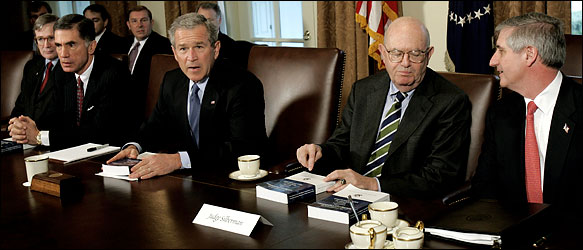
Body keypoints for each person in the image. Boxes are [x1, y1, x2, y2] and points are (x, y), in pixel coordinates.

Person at [296, 16, 471, 199]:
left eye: (415, 54)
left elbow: (440, 176)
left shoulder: (450, 101)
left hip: (402, 202)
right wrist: (319, 152)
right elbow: (342, 144)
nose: (405, 63)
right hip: (348, 194)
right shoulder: (363, 90)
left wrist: (372, 184)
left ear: (428, 55)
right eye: (396, 53)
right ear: (383, 53)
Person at [106, 13, 267, 180]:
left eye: (199, 47)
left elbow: (243, 148)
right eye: (183, 49)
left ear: (216, 49)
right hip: (187, 180)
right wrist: (135, 146)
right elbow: (154, 126)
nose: (191, 57)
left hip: (229, 180)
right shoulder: (172, 80)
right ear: (175, 53)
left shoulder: (243, 84)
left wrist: (179, 160)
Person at [472, 13, 582, 221]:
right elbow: (484, 190)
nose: (492, 60)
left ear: (529, 54)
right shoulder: (500, 113)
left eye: (501, 51)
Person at [8, 14, 134, 149]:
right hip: (71, 153)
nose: (63, 54)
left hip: (108, 154)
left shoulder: (113, 73)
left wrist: (40, 137)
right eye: (59, 45)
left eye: (71, 45)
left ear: (91, 47)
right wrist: (22, 126)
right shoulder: (62, 74)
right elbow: (54, 120)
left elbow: (97, 133)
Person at [10, 14, 62, 131]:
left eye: (51, 38)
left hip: (50, 135)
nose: (46, 45)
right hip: (25, 135)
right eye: (40, 39)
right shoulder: (31, 66)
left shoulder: (69, 67)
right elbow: (21, 105)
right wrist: (16, 124)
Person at [125, 5, 173, 115]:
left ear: (151, 23)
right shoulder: (121, 44)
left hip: (145, 105)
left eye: (144, 20)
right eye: (134, 21)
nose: (139, 25)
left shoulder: (164, 45)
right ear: (128, 25)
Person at [196, 2, 252, 69]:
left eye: (210, 20)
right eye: (202, 20)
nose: (205, 24)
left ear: (219, 21)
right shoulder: (192, 46)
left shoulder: (231, 48)